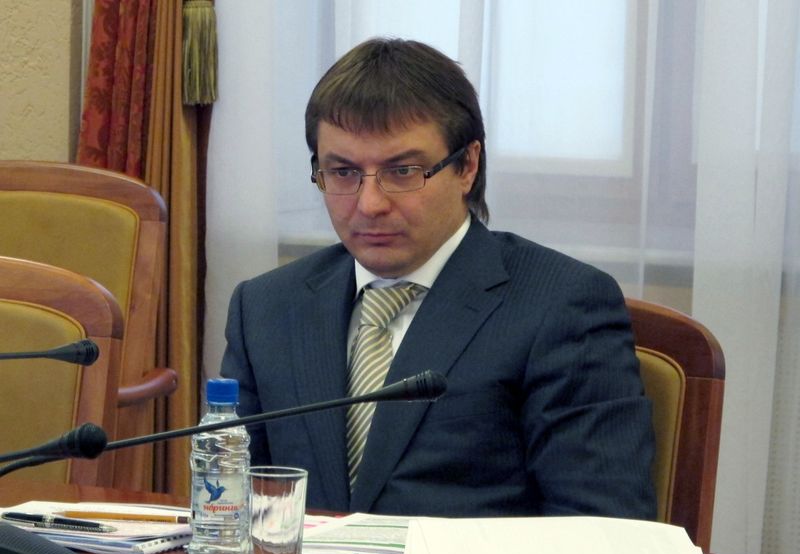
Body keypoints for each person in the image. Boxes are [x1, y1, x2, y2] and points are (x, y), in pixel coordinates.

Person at [221, 38, 656, 519]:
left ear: (467, 165)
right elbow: (228, 503)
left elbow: (601, 526)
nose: (369, 204)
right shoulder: (266, 308)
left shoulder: (562, 306)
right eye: (343, 172)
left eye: (403, 171)